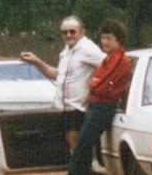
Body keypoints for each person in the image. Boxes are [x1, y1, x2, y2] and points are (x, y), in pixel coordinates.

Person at [49, 19, 132, 175]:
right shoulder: (109, 58)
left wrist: (93, 87)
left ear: (119, 41)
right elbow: (102, 81)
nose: (105, 42)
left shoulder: (120, 60)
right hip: (95, 106)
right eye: (103, 38)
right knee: (82, 153)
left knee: (80, 153)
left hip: (103, 108)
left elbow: (107, 84)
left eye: (109, 38)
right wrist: (95, 87)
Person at [20, 15, 105, 149]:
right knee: (72, 146)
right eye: (65, 32)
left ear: (82, 32)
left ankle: (79, 170)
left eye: (72, 31)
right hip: (65, 107)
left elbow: (109, 68)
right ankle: (77, 169)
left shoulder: (88, 48)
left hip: (79, 108)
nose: (68, 35)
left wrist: (95, 91)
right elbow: (57, 75)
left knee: (77, 146)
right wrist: (37, 62)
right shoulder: (66, 51)